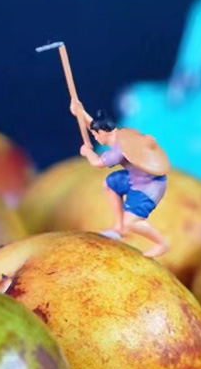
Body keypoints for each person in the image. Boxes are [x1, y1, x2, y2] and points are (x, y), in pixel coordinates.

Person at [73, 105, 171, 257]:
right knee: (110, 184)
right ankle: (119, 228)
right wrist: (81, 112)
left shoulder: (119, 151)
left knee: (131, 222)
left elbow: (97, 163)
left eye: (96, 135)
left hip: (148, 186)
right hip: (135, 178)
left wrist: (87, 152)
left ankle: (161, 244)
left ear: (102, 133)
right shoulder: (121, 134)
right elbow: (96, 127)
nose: (95, 138)